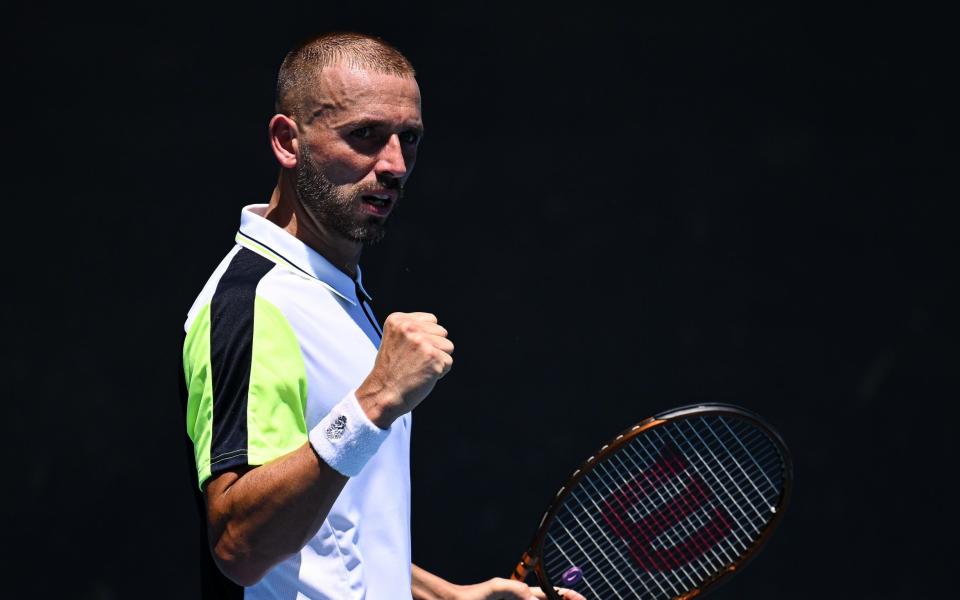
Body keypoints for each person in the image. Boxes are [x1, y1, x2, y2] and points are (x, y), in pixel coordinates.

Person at [179, 32, 586, 600]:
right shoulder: (254, 302)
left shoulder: (337, 293)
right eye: (364, 136)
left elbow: (328, 532)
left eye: (409, 139)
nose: (394, 164)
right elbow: (240, 547)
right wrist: (373, 402)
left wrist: (450, 596)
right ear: (287, 141)